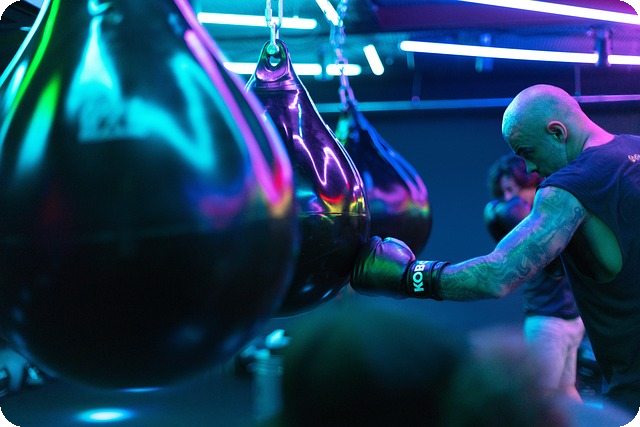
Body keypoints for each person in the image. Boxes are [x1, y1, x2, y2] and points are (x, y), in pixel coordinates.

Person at [350, 84, 640, 420]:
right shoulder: (634, 148)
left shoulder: (568, 187)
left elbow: (497, 276)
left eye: (527, 152)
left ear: (557, 132)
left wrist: (408, 277)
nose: (529, 168)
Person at [483, 153, 585, 402]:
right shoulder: (520, 228)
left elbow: (560, 265)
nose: (509, 199)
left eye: (513, 189)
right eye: (504, 192)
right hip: (550, 318)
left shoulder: (558, 215)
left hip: (561, 322)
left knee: (542, 398)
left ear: (532, 183)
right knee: (563, 392)